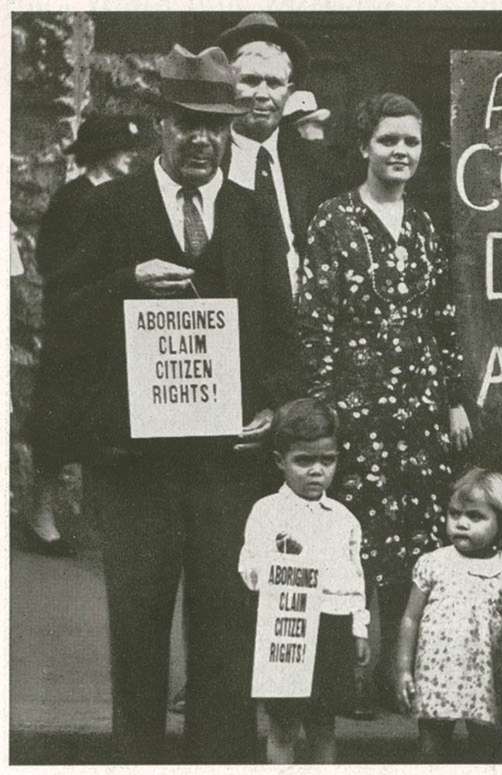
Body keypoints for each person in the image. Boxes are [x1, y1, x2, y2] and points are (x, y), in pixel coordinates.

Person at [54, 44, 300, 763]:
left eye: (216, 126)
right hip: (137, 467)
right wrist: (126, 280)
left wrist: (276, 410)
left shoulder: (254, 214)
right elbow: (60, 315)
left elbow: (284, 334)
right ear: (160, 123)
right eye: (187, 122)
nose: (201, 140)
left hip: (230, 466)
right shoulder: (109, 209)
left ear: (232, 131)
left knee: (226, 636)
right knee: (137, 630)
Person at [297, 92, 473, 707]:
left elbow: (442, 318)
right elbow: (315, 319)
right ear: (364, 146)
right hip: (357, 406)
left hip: (420, 405)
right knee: (354, 541)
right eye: (388, 140)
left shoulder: (424, 226)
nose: (400, 152)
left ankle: (393, 676)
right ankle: (345, 680)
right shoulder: (334, 219)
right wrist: (322, 411)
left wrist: (453, 398)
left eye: (411, 142)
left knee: (411, 540)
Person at [27, 114, 144, 556]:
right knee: (57, 423)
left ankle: (108, 521)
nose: (132, 155)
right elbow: (54, 262)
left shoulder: (127, 196)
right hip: (76, 326)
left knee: (109, 426)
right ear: (102, 152)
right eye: (123, 148)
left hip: (115, 324)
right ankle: (40, 515)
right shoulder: (74, 199)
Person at [238, 398, 370, 763]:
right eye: (303, 461)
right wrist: (282, 566)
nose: (316, 471)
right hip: (286, 629)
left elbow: (354, 578)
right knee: (282, 726)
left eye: (327, 461)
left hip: (331, 628)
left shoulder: (344, 519)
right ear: (281, 461)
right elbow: (249, 570)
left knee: (323, 725)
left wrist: (359, 628)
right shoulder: (266, 512)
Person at [394, 467, 502, 762]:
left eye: (475, 517)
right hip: (436, 676)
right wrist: (403, 669)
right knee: (431, 748)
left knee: (486, 749)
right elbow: (410, 619)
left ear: (501, 523)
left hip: (488, 679)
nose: (461, 523)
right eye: (455, 514)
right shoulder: (432, 564)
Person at [216, 12, 338, 299]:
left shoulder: (312, 164)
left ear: (289, 91)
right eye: (250, 81)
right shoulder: (208, 159)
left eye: (273, 83)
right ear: (227, 86)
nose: (262, 94)